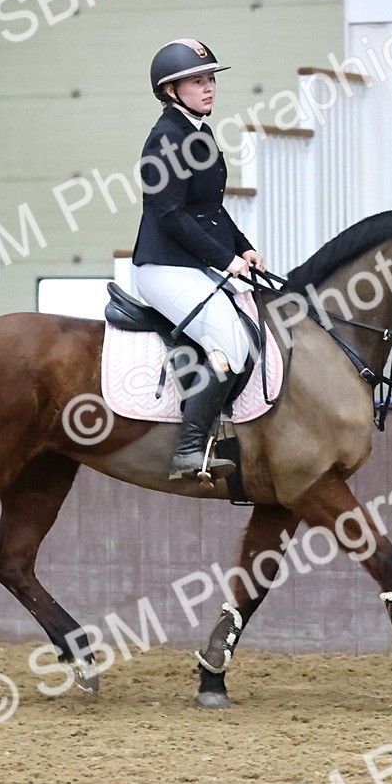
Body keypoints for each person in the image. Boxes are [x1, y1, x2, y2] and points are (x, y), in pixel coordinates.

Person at [132, 38, 267, 483]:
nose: (209, 88)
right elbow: (169, 214)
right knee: (230, 343)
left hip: (191, 263)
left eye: (210, 79)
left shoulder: (198, 132)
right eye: (197, 81)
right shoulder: (165, 139)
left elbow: (210, 208)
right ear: (171, 90)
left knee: (252, 327)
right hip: (163, 266)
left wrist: (243, 246)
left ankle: (222, 434)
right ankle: (188, 450)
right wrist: (224, 258)